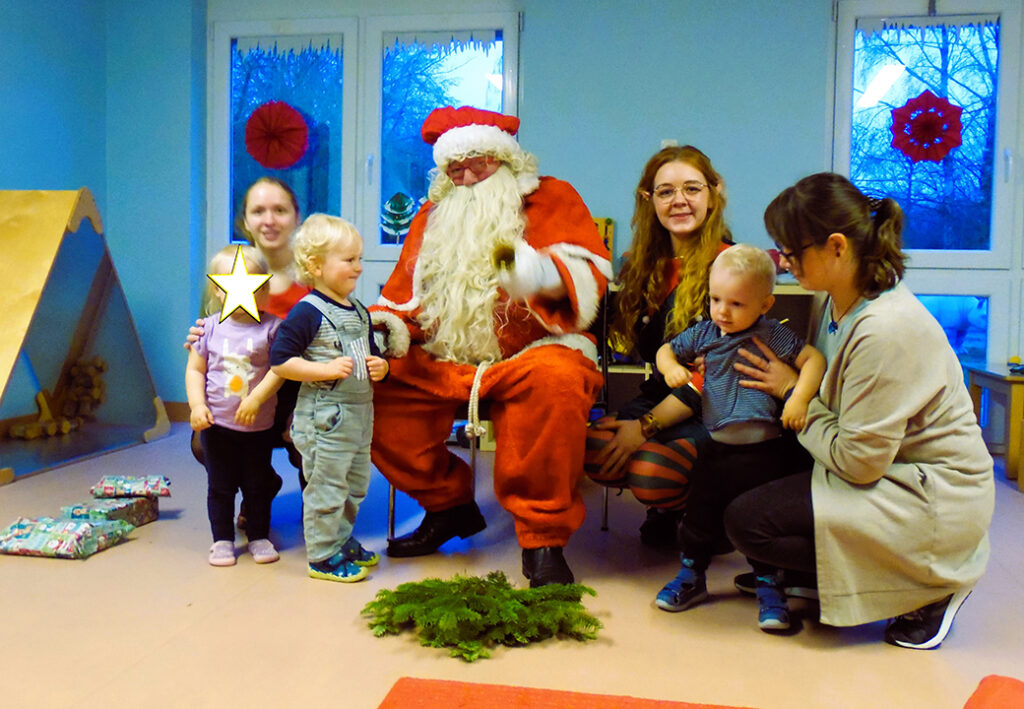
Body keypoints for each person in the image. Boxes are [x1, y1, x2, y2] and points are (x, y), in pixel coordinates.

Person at [723, 172, 994, 647]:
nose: (784, 263)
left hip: (929, 495)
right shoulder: (837, 299)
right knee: (743, 466)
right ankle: (827, 574)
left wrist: (793, 394)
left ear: (836, 247)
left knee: (748, 523)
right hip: (881, 462)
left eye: (790, 252)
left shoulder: (886, 328)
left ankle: (930, 587)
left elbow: (858, 462)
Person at [368, 106, 611, 587]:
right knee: (377, 386)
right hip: (450, 357)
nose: (468, 177)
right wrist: (384, 331)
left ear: (505, 160)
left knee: (557, 381)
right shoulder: (432, 217)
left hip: (536, 350)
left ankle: (543, 539)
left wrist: (537, 275)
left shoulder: (551, 198)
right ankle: (448, 506)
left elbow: (588, 279)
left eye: (479, 164)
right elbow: (401, 296)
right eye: (455, 169)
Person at [651, 244, 824, 630]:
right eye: (715, 299)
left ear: (765, 305)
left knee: (756, 522)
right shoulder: (706, 333)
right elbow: (666, 350)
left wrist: (799, 397)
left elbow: (814, 360)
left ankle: (769, 587)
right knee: (697, 519)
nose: (722, 312)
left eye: (736, 303)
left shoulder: (771, 335)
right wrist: (670, 371)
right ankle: (691, 578)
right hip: (717, 450)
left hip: (766, 452)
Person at [584, 146, 731, 547]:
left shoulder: (731, 267)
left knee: (654, 472)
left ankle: (706, 516)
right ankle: (670, 503)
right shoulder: (640, 265)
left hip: (716, 407)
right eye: (665, 192)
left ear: (713, 194)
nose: (679, 200)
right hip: (661, 393)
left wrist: (644, 428)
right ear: (649, 201)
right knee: (595, 449)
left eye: (691, 189)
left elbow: (711, 377)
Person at [270, 214, 390, 583]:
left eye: (359, 258)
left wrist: (382, 366)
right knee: (327, 486)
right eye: (348, 259)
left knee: (355, 485)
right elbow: (281, 362)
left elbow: (369, 352)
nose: (358, 267)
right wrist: (322, 370)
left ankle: (340, 540)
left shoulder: (358, 310)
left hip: (359, 416)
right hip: (325, 419)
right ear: (315, 266)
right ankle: (321, 555)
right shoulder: (308, 312)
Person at [187, 178, 311, 523]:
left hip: (300, 398)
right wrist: (198, 337)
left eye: (280, 210)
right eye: (258, 211)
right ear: (244, 221)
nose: (269, 220)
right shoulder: (225, 272)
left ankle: (319, 512)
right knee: (204, 443)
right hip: (241, 395)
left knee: (309, 438)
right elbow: (209, 337)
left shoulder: (314, 277)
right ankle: (260, 484)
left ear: (296, 216)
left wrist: (299, 412)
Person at [185, 245, 285, 567]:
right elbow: (195, 369)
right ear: (218, 290)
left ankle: (258, 535)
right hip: (218, 427)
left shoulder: (271, 328)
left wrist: (257, 400)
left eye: (255, 284)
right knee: (220, 487)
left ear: (265, 289)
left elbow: (280, 370)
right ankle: (222, 540)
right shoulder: (209, 327)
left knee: (257, 485)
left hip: (258, 428)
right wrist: (197, 406)